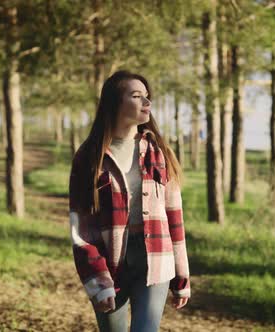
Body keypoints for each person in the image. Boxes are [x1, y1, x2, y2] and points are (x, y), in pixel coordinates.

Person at [69, 70, 190, 332]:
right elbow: (82, 231)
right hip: (110, 263)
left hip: (156, 257)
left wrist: (182, 275)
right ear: (114, 103)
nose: (147, 103)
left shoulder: (158, 152)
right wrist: (97, 280)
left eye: (147, 97)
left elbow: (174, 217)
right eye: (137, 96)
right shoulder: (89, 157)